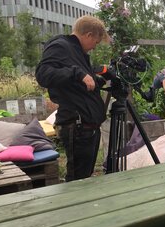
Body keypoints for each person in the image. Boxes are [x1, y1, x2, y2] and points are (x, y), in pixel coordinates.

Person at [35, 15, 110, 182]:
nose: (94, 47)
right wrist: (78, 73)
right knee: (77, 179)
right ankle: (75, 207)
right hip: (76, 125)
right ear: (88, 35)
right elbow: (43, 74)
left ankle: (85, 205)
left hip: (87, 125)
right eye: (96, 42)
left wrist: (99, 79)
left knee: (84, 177)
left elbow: (79, 84)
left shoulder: (76, 52)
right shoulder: (60, 46)